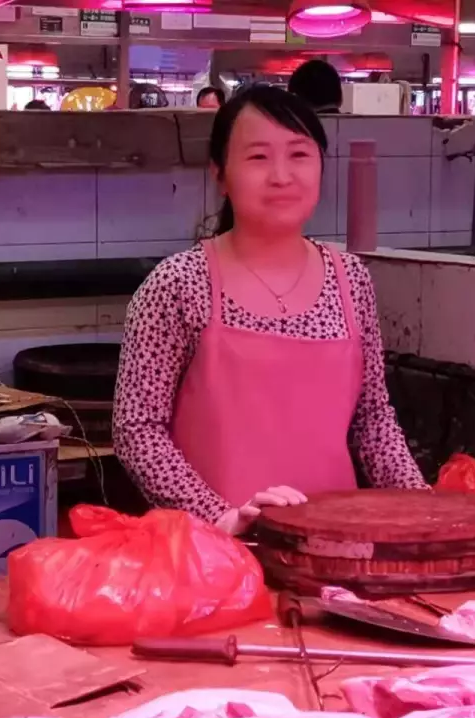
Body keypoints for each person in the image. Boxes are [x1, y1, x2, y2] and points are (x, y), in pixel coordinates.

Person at [113, 85, 426, 535]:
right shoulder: (179, 283)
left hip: (333, 543)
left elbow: (373, 421)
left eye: (299, 155)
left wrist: (426, 509)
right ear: (220, 175)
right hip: (215, 551)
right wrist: (221, 517)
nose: (281, 176)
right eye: (258, 157)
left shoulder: (352, 279)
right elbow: (138, 429)